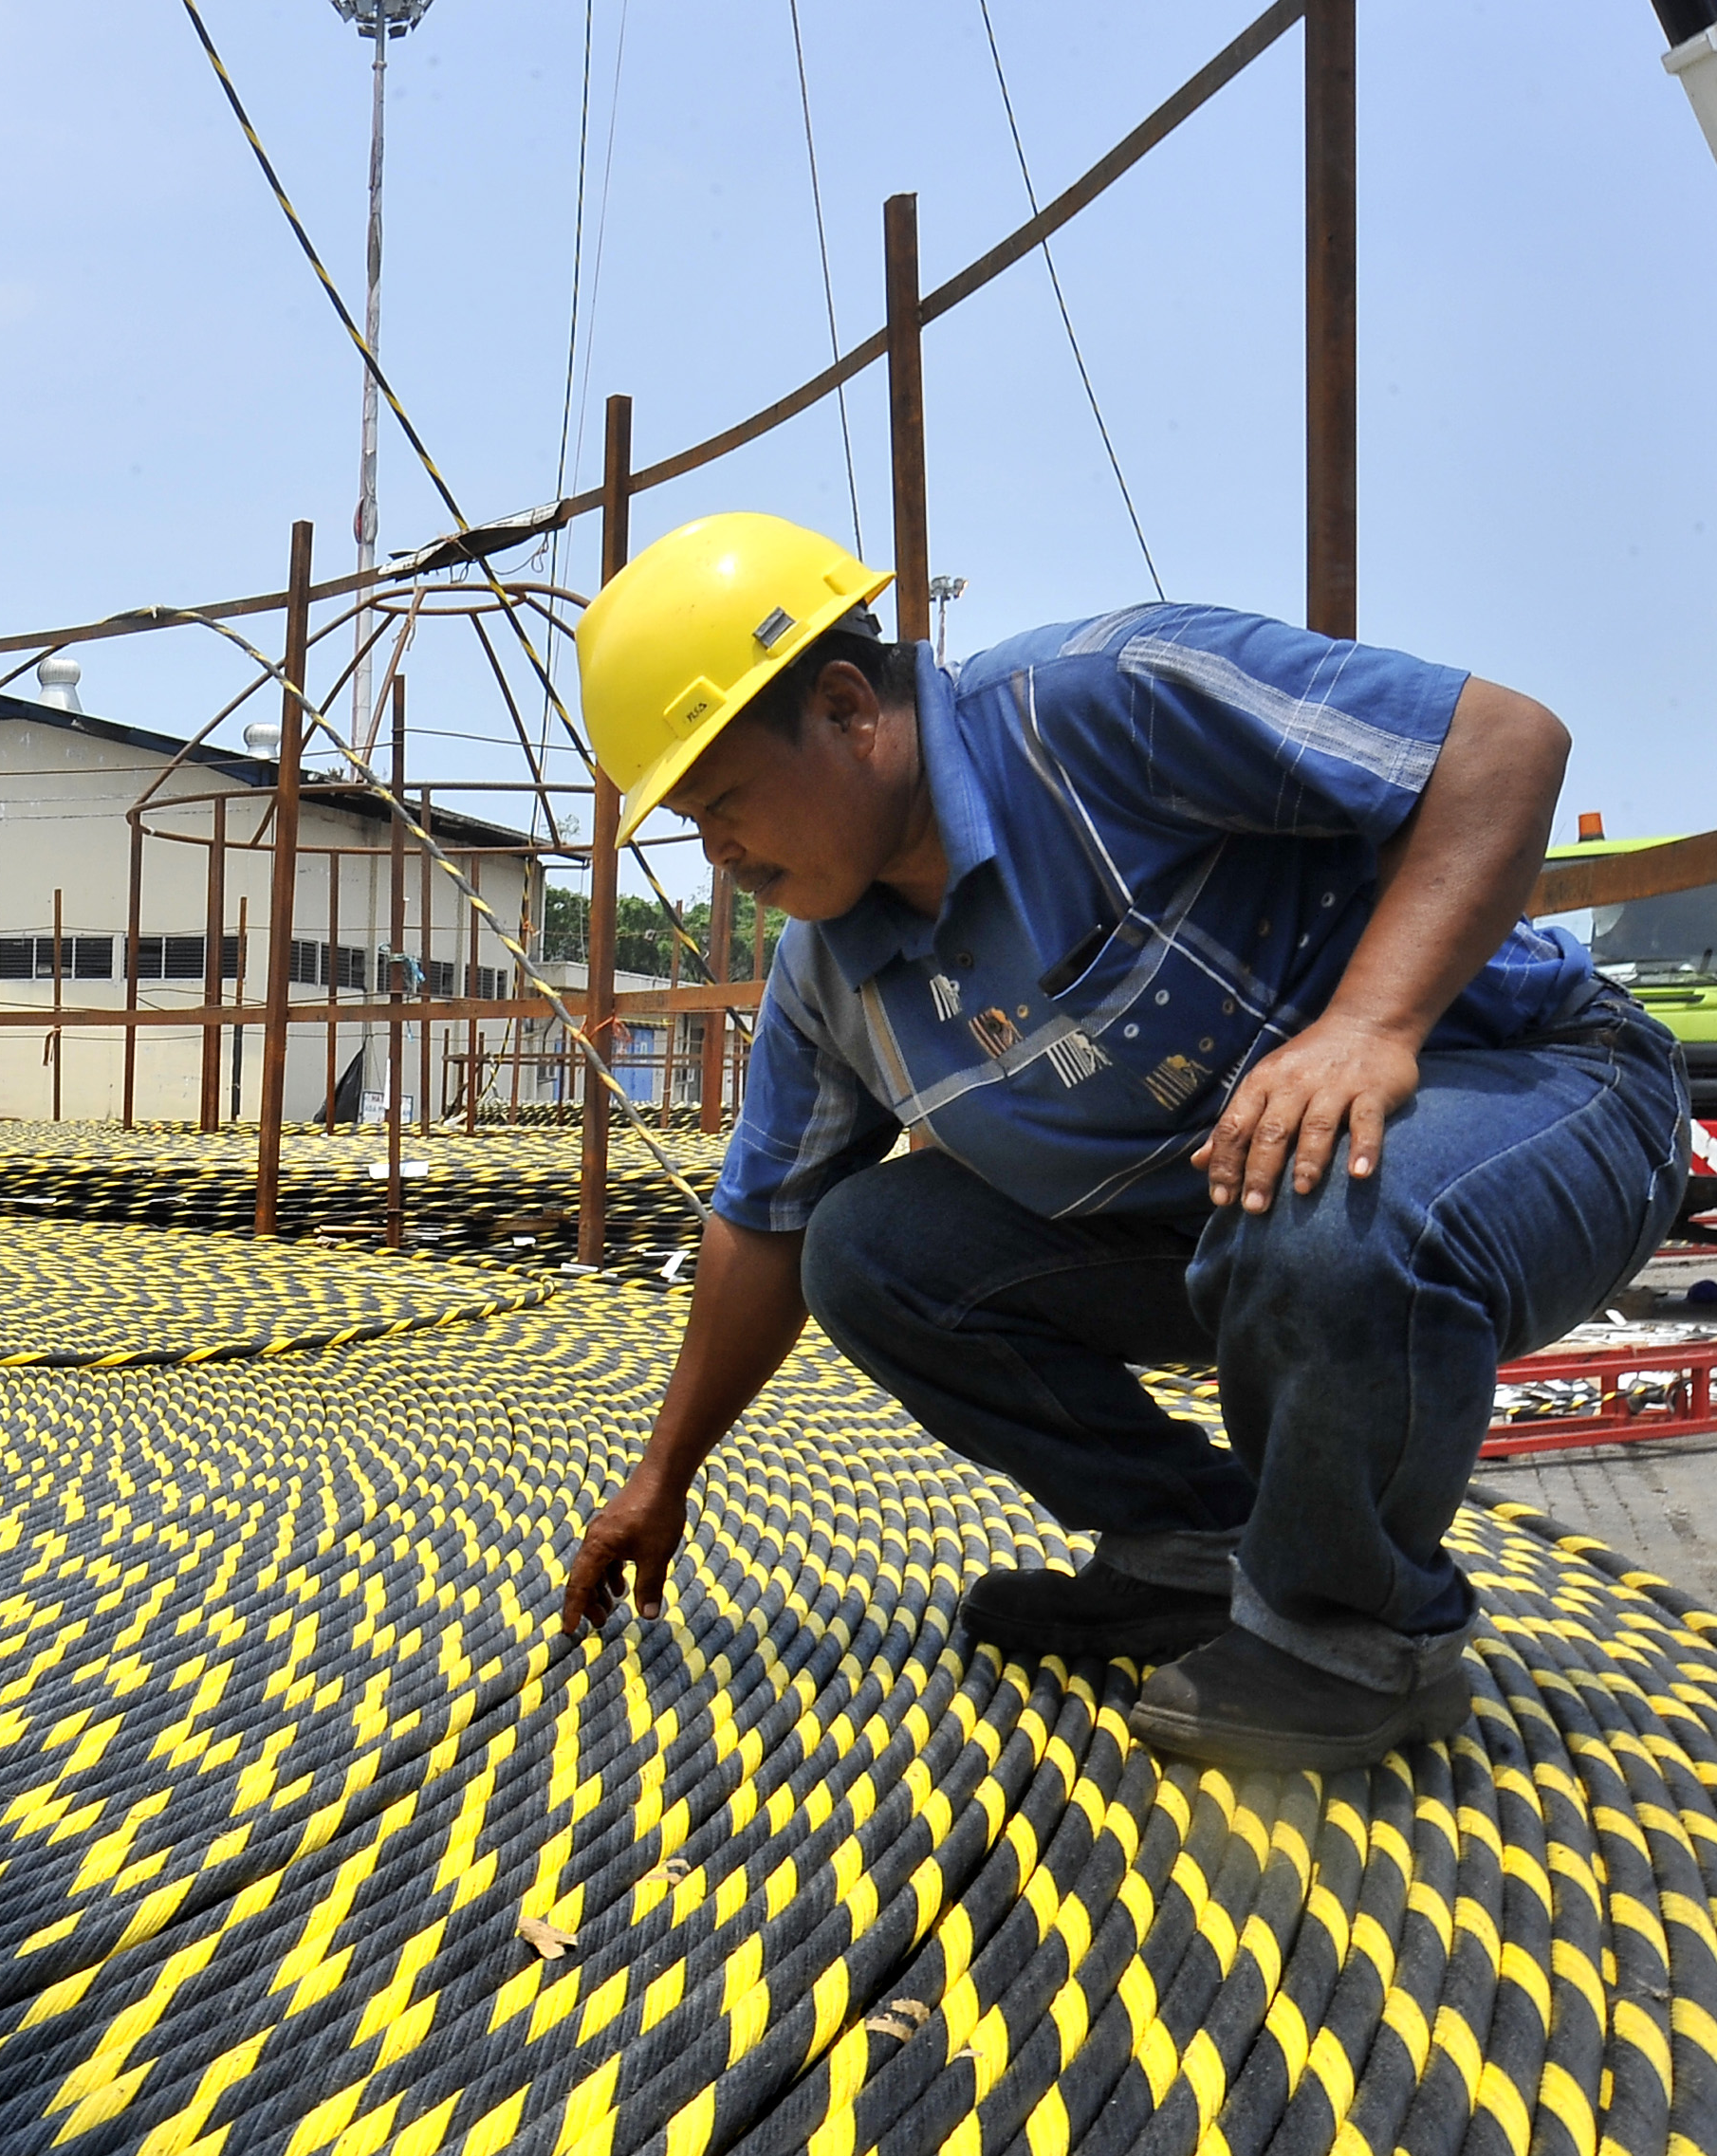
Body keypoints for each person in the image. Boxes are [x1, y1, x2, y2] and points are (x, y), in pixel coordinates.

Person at [556, 513, 1686, 1772]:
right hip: (1253, 1210)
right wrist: (664, 1476)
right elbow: (762, 1225)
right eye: (688, 824)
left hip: (1548, 1087)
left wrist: (1372, 1021)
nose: (718, 854)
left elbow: (1504, 745)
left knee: (1321, 1211)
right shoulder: (833, 978)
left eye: (722, 801)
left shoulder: (1103, 705)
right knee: (865, 1246)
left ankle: (1351, 1636)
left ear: (843, 708)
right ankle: (1198, 1553)